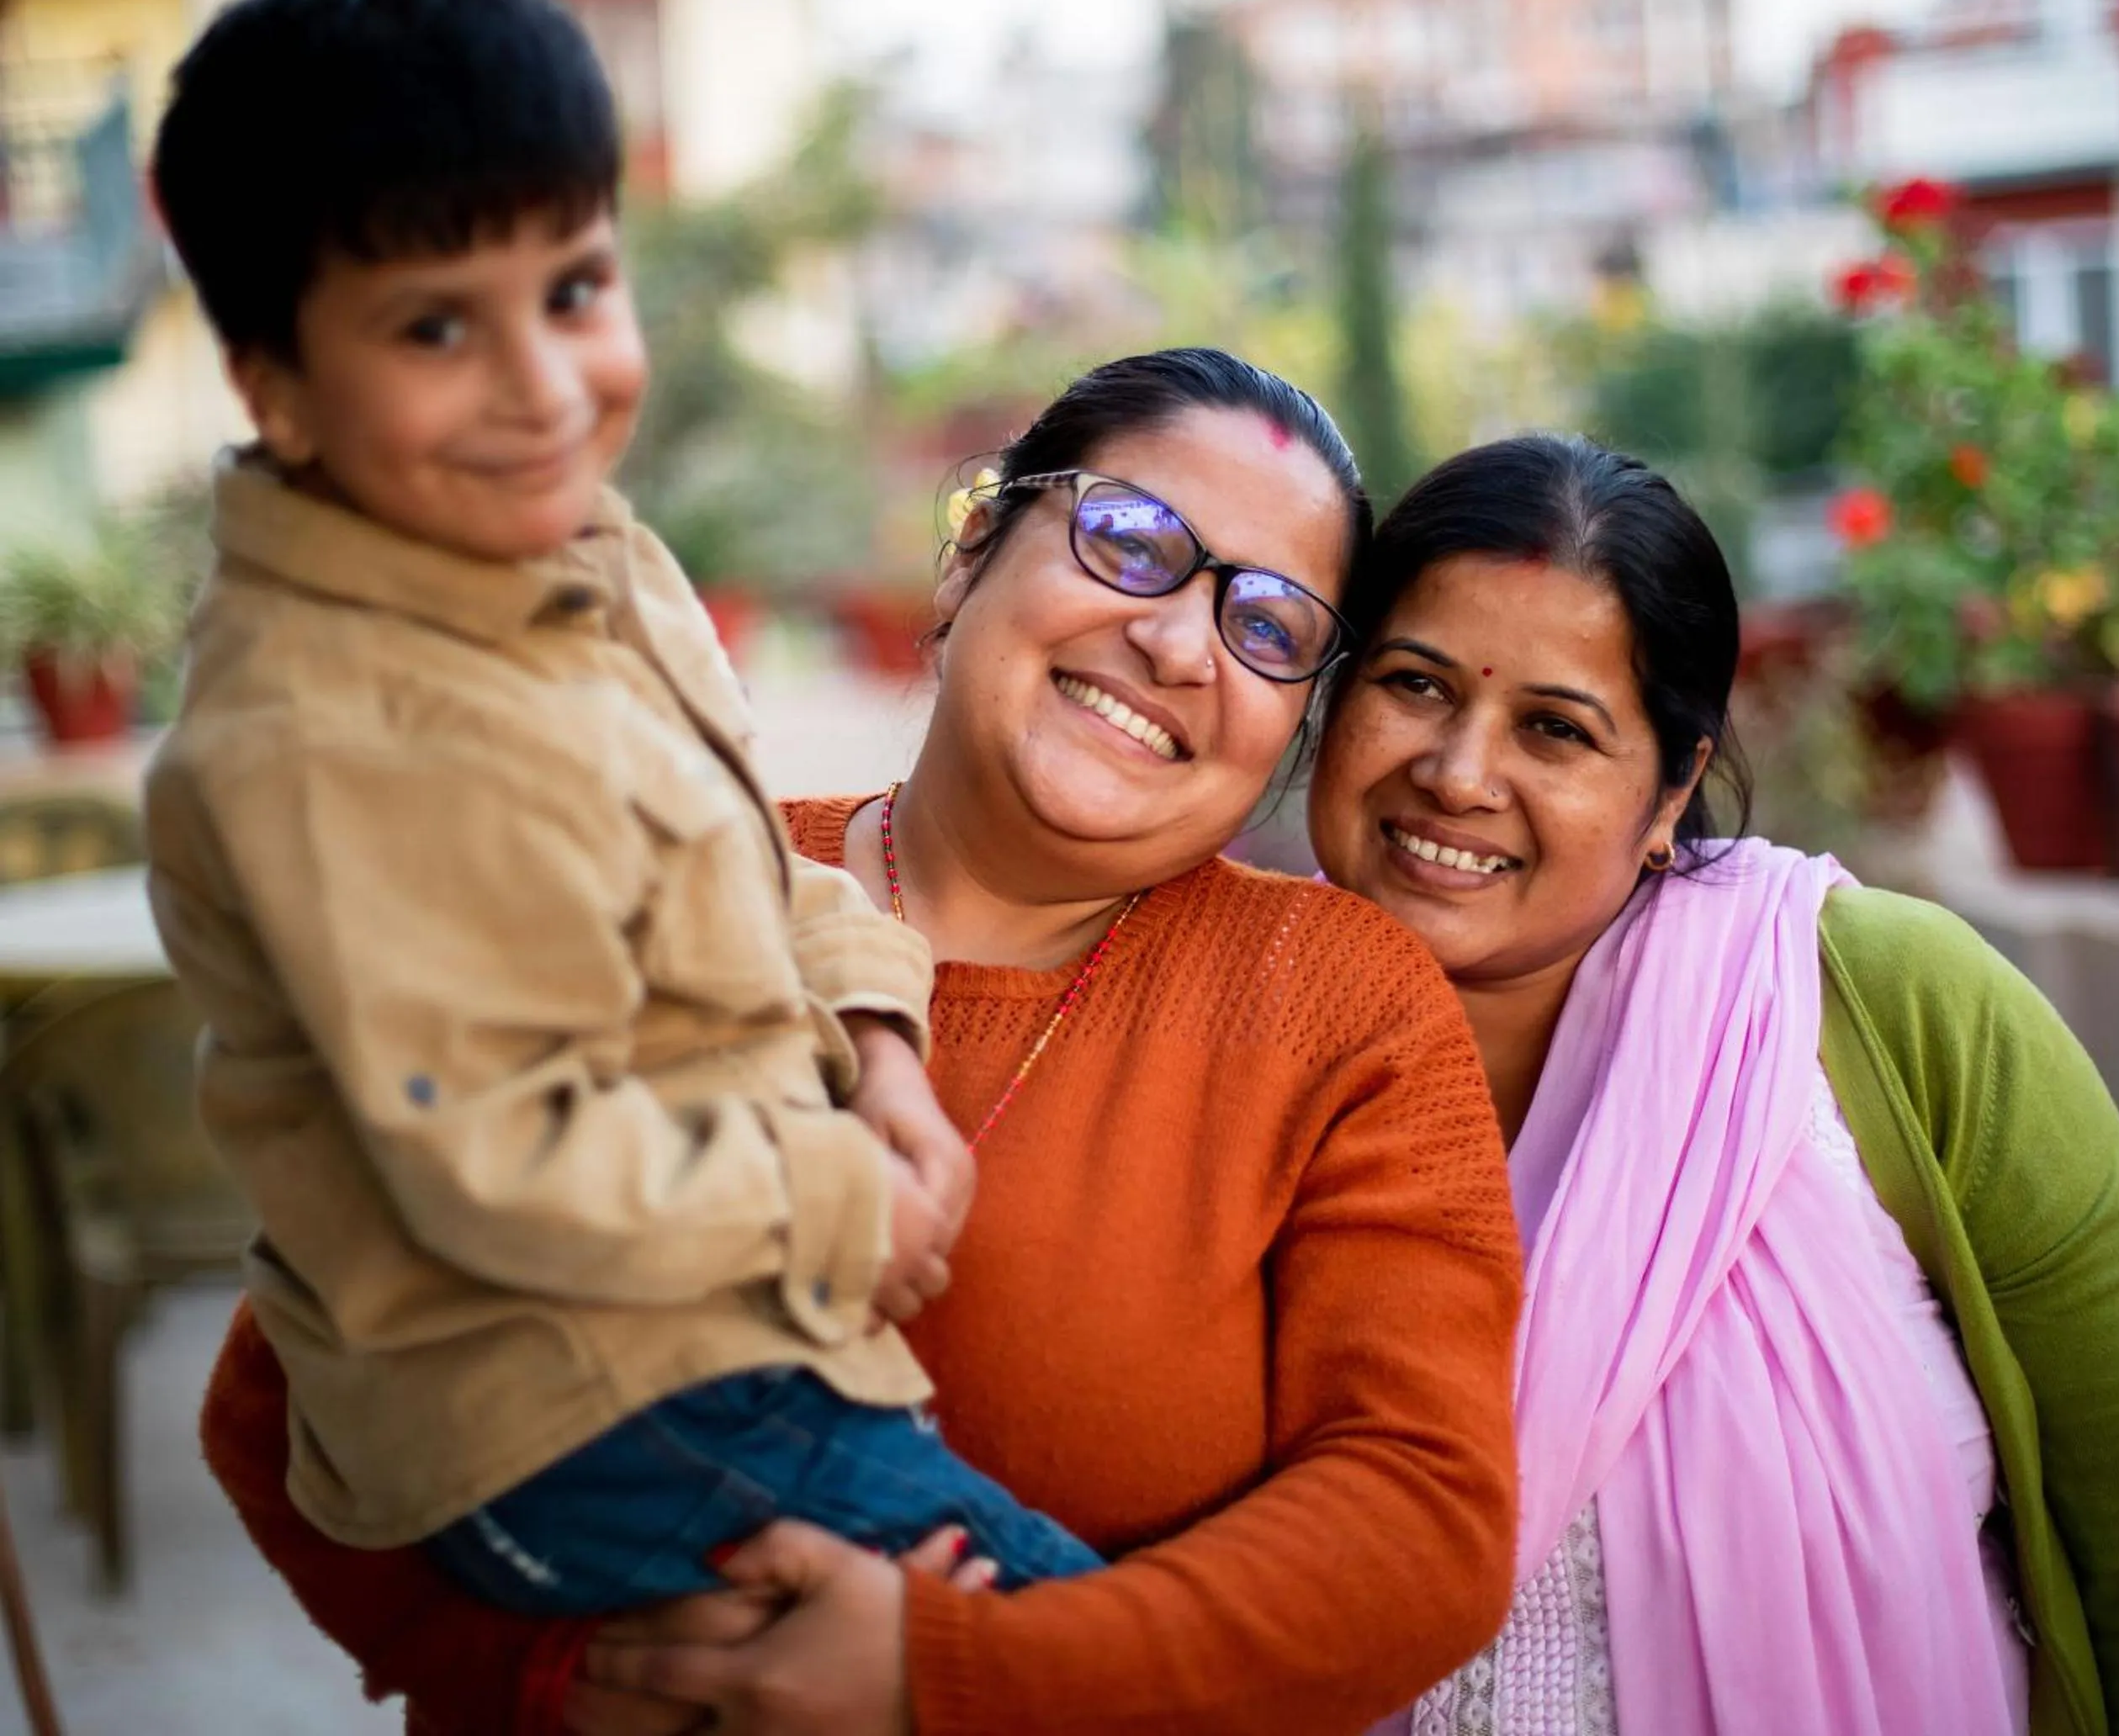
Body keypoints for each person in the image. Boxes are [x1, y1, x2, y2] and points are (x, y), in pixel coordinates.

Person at [195, 347, 1525, 1733]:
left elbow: (1419, 1522)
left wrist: (960, 1676)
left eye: (1271, 628)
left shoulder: (1339, 1003)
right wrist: (539, 1677)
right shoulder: (661, 884)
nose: (1183, 643)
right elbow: (281, 1395)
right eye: (1130, 541)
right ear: (967, 559)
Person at [141, 0, 1120, 1621]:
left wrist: (879, 1048)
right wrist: (837, 1195)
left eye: (574, 289)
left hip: (709, 1339)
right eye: (437, 326)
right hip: (589, 1404)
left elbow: (737, 869)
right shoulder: (326, 729)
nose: (541, 386)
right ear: (275, 389)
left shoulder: (580, 550)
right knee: (1084, 1667)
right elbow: (502, 1159)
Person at [1307, 433, 2119, 1736]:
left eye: (1556, 728)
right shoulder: (1204, 1018)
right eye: (1417, 686)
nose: (1460, 773)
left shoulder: (1875, 1005)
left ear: (1672, 790)